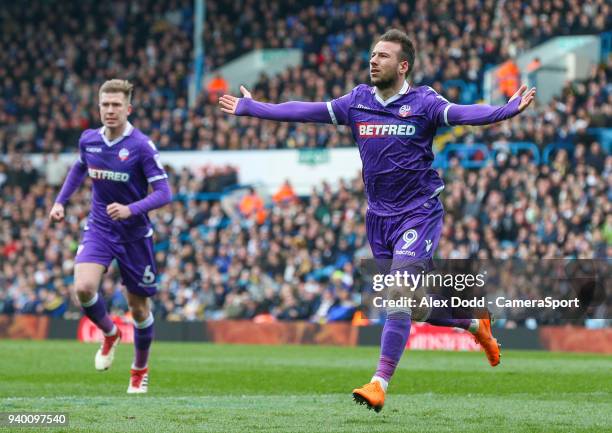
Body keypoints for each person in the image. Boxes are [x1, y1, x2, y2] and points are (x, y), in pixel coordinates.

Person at [218, 29, 536, 412]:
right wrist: (254, 108)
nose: (373, 60)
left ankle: (378, 383)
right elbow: (305, 110)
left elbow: (465, 113)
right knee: (414, 307)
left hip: (418, 212)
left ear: (403, 66)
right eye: (372, 54)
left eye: (383, 56)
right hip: (379, 218)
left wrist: (505, 109)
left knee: (398, 295)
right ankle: (474, 325)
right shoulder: (358, 101)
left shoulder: (425, 102)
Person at [49, 79, 172, 394]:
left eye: (117, 105)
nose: (110, 110)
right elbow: (79, 168)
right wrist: (61, 201)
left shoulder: (141, 146)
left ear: (128, 109)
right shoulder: (89, 140)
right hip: (100, 227)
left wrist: (132, 209)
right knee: (83, 288)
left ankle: (139, 370)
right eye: (105, 104)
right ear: (99, 106)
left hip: (134, 235)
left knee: (139, 309)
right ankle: (109, 333)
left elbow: (164, 193)